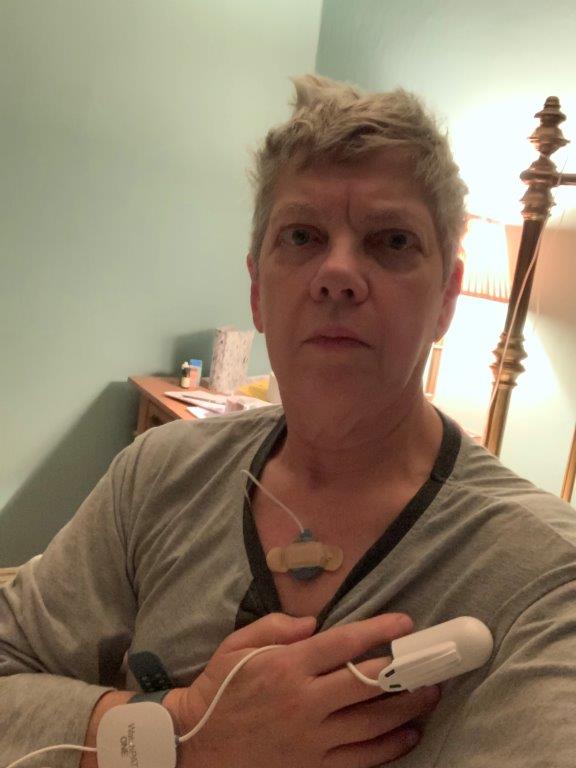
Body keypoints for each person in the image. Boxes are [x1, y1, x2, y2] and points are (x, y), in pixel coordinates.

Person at [1, 75, 575, 768]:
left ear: (447, 299)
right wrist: (183, 734)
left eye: (392, 242)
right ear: (256, 289)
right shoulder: (155, 475)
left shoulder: (545, 579)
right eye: (302, 237)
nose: (338, 274)